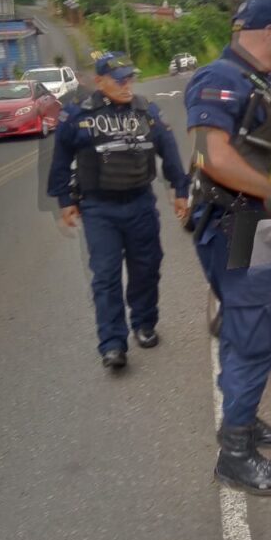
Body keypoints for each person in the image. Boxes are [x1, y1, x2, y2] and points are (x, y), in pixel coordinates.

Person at [184, 0, 271, 497]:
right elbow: (214, 158)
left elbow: (263, 151)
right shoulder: (220, 79)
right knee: (255, 337)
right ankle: (235, 454)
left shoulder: (259, 84)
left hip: (256, 226)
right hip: (238, 225)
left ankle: (244, 418)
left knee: (245, 327)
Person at [47, 52, 189, 370]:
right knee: (106, 276)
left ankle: (144, 322)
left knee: (147, 267)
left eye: (129, 78)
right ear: (99, 81)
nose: (127, 85)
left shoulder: (147, 111)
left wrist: (180, 189)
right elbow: (59, 159)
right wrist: (65, 201)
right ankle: (112, 343)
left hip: (140, 203)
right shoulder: (78, 115)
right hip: (98, 209)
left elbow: (169, 150)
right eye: (118, 79)